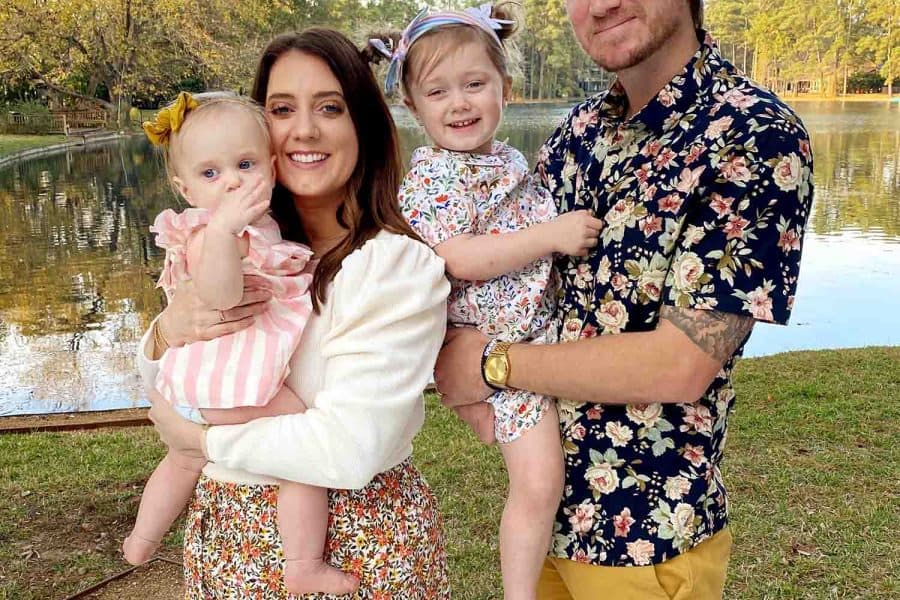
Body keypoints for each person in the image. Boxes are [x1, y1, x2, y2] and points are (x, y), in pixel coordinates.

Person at [434, 0, 814, 598]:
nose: (602, 4)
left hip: (644, 536)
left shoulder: (754, 135)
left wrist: (489, 365)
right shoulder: (577, 132)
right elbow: (508, 275)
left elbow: (680, 364)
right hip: (544, 522)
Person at [137, 28, 452, 598]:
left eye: (330, 107)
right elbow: (177, 377)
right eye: (282, 109)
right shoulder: (239, 244)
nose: (304, 129)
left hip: (357, 543)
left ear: (364, 125)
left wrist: (200, 442)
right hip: (225, 538)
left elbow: (348, 449)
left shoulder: (396, 267)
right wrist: (166, 331)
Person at [369, 5, 601, 598]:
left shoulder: (504, 160)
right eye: (438, 92)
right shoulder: (434, 178)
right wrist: (551, 236)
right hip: (498, 347)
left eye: (475, 84)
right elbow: (459, 258)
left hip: (530, 333)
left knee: (556, 475)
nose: (459, 103)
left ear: (506, 89)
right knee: (539, 483)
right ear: (412, 106)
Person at [123, 91, 358, 595]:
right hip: (227, 384)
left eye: (245, 165)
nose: (231, 181)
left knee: (182, 460)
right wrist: (225, 231)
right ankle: (302, 562)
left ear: (271, 168)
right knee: (303, 448)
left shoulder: (260, 229)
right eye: (211, 173)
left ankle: (141, 541)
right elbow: (222, 295)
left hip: (194, 384)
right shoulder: (210, 234)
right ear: (184, 188)